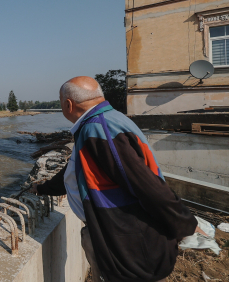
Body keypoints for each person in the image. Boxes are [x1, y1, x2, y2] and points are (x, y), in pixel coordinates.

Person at [31, 76, 203, 282]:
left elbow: (147, 186)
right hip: (119, 236)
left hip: (128, 244)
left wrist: (184, 223)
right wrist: (41, 189)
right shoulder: (104, 121)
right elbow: (74, 172)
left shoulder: (98, 129)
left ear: (68, 104)